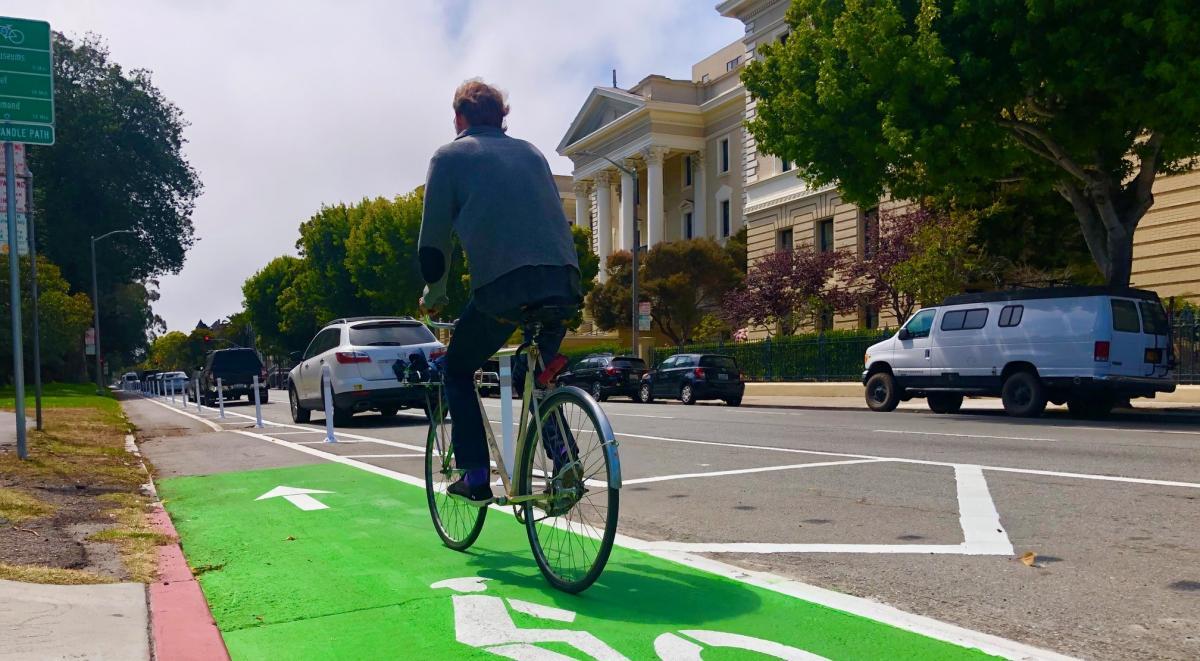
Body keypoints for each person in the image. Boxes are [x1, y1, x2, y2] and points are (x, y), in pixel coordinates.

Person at [418, 79, 582, 504]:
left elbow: (434, 243)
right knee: (536, 371)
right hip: (563, 281)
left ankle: (474, 477)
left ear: (458, 118)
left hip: (505, 288)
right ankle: (564, 460)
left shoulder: (449, 157)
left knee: (456, 370)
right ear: (502, 117)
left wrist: (435, 294)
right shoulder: (531, 153)